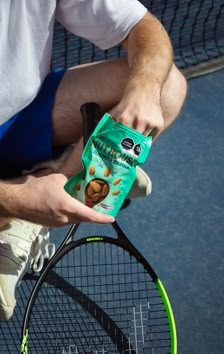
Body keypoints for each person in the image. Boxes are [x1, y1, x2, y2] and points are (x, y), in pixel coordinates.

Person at [0, 0, 187, 321]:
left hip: (17, 115)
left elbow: (141, 26)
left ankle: (49, 192)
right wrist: (15, 200)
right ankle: (21, 205)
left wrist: (143, 87)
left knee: (165, 87)